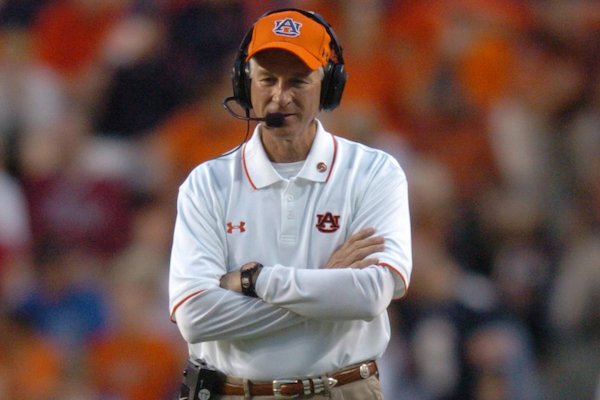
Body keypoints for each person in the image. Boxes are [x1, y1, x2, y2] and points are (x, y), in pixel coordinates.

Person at [168, 8, 412, 400]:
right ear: (245, 84)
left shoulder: (374, 172)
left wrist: (256, 281)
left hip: (341, 389)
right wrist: (326, 282)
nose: (281, 96)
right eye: (267, 80)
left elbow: (369, 295)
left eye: (299, 80)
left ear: (328, 85)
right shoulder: (206, 184)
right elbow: (195, 318)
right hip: (233, 392)